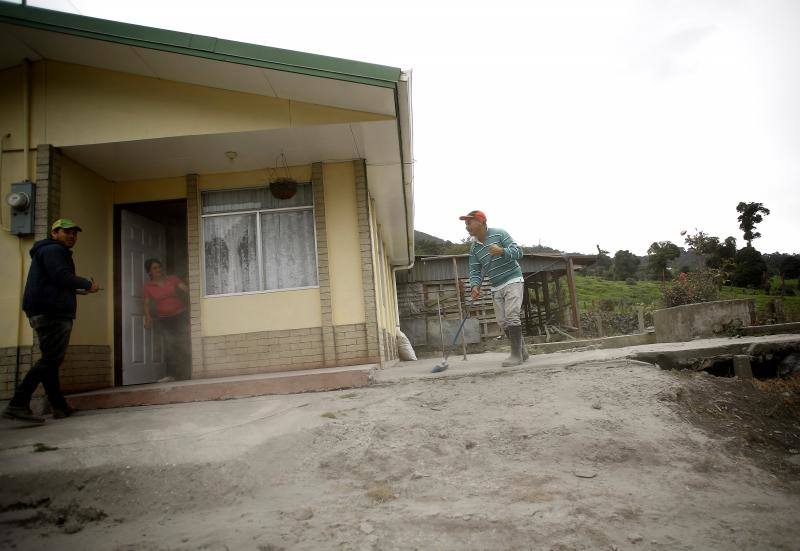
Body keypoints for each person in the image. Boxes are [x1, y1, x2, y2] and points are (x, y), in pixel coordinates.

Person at [3, 218, 100, 424]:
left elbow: (55, 280)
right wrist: (87, 283)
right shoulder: (55, 250)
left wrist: (77, 290)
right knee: (51, 359)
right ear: (54, 233)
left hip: (44, 309)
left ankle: (59, 406)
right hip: (52, 312)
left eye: (74, 233)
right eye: (66, 232)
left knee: (51, 359)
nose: (72, 236)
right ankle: (18, 403)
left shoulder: (46, 251)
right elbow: (60, 275)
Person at [460, 210, 529, 367]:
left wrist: (502, 251)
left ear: (482, 222)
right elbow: (474, 270)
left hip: (512, 279)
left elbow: (519, 252)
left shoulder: (499, 234)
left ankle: (515, 355)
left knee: (512, 315)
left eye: (469, 222)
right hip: (496, 285)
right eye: (465, 223)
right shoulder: (474, 248)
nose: (467, 226)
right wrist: (475, 286)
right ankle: (522, 351)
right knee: (502, 321)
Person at [142, 258, 189, 381]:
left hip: (180, 315)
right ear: (149, 272)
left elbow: (186, 289)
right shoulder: (148, 286)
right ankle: (172, 375)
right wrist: (147, 317)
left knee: (184, 342)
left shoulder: (172, 279)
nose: (158, 269)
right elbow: (146, 303)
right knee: (169, 345)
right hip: (164, 319)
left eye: (159, 267)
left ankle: (188, 372)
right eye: (154, 268)